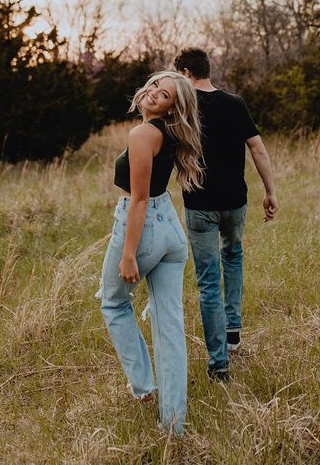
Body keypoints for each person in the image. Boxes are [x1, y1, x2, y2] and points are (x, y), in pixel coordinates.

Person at [98, 70, 203, 435]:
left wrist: (129, 254)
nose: (156, 93)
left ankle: (143, 386)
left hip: (144, 227)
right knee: (170, 325)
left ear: (174, 108)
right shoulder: (170, 133)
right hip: (171, 230)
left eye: (166, 94)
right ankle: (174, 424)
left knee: (113, 302)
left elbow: (139, 200)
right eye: (157, 85)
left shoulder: (143, 134)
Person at [173, 48, 278, 380]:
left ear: (187, 72)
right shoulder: (235, 103)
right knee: (233, 255)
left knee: (208, 282)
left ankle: (219, 363)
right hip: (235, 202)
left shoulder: (180, 108)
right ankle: (233, 331)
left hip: (199, 205)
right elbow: (258, 148)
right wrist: (270, 191)